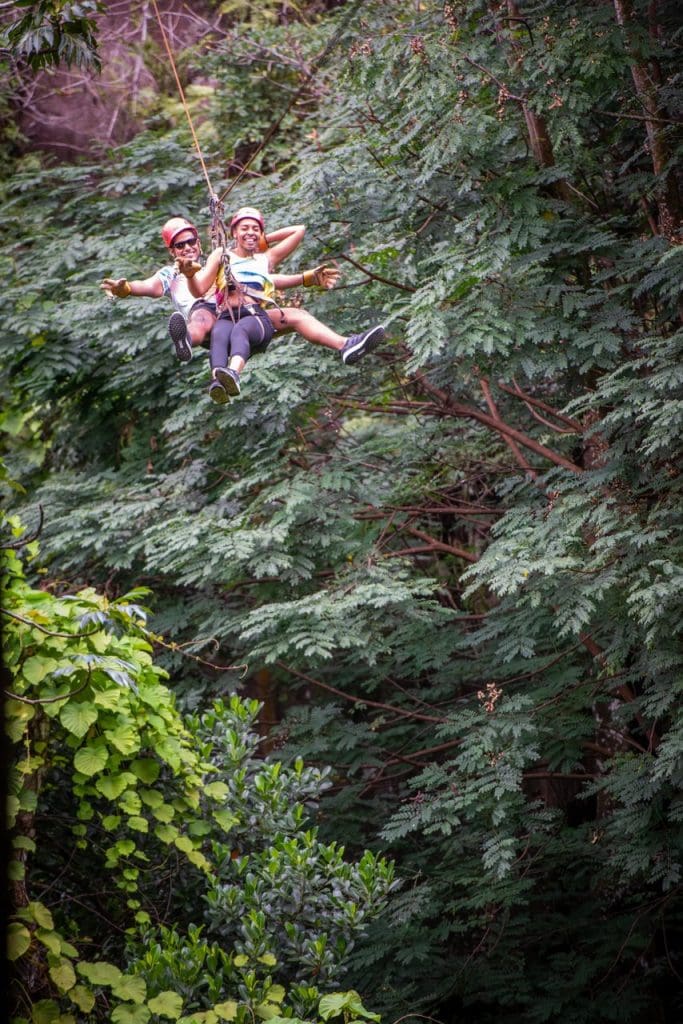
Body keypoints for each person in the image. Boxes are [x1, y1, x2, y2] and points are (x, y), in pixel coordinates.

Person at [178, 206, 385, 403]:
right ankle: (218, 382)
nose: (250, 232)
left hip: (252, 317)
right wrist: (189, 275)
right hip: (225, 316)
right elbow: (198, 290)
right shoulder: (222, 256)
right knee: (219, 335)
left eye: (255, 229)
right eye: (244, 228)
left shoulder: (264, 259)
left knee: (279, 319)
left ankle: (345, 346)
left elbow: (298, 230)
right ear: (233, 233)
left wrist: (261, 240)